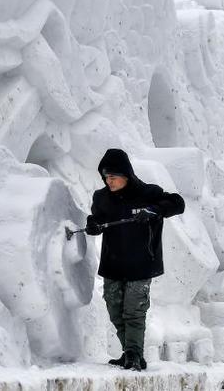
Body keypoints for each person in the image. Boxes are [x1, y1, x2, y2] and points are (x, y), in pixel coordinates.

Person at [85, 148, 186, 371]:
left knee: (134, 310)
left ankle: (133, 354)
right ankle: (130, 352)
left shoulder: (148, 193)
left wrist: (154, 210)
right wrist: (92, 224)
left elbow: (178, 203)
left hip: (141, 263)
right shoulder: (101, 198)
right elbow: (97, 221)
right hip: (113, 263)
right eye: (105, 177)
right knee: (114, 310)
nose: (108, 181)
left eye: (112, 177)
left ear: (126, 175)